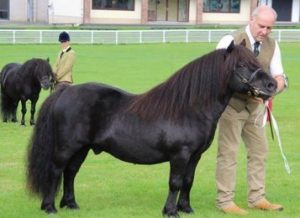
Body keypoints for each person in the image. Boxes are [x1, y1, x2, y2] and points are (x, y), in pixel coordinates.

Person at [215, 5, 288, 215]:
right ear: (251, 20)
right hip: (232, 107)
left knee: (259, 152)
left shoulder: (272, 45)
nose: (264, 32)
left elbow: (279, 77)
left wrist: (271, 91)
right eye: (261, 26)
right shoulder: (230, 40)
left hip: (256, 110)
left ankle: (257, 198)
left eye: (269, 28)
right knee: (228, 153)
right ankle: (225, 201)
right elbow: (216, 74)